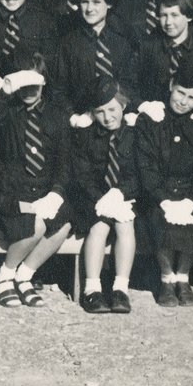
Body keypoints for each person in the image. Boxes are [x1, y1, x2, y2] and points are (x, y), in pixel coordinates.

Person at [0, 50, 73, 308]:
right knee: (35, 225)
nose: (29, 90)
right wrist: (6, 91)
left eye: (34, 83)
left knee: (63, 223)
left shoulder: (56, 116)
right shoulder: (7, 113)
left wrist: (56, 192)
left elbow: (64, 161)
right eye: (22, 84)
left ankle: (24, 277)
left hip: (45, 189)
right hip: (13, 191)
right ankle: (4, 276)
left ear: (44, 82)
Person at [135, 55, 193, 307]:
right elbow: (145, 166)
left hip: (192, 193)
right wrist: (163, 199)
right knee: (161, 219)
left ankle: (183, 277)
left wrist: (191, 201)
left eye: (192, 98)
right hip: (157, 192)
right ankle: (166, 279)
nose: (184, 102)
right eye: (181, 93)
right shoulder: (152, 118)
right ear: (171, 85)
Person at [70, 78, 138, 314]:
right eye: (100, 112)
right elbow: (82, 173)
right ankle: (92, 289)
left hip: (125, 197)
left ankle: (121, 289)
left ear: (123, 106)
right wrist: (100, 198)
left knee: (125, 225)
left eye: (112, 110)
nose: (107, 117)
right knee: (98, 227)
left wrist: (121, 194)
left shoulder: (134, 134)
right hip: (94, 198)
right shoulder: (86, 136)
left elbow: (139, 173)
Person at [51, 0, 139, 119]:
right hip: (82, 118)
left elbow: (129, 84)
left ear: (109, 4)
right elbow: (58, 89)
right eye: (84, 2)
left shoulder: (121, 43)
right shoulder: (69, 43)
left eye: (96, 2)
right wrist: (73, 116)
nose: (89, 8)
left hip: (116, 117)